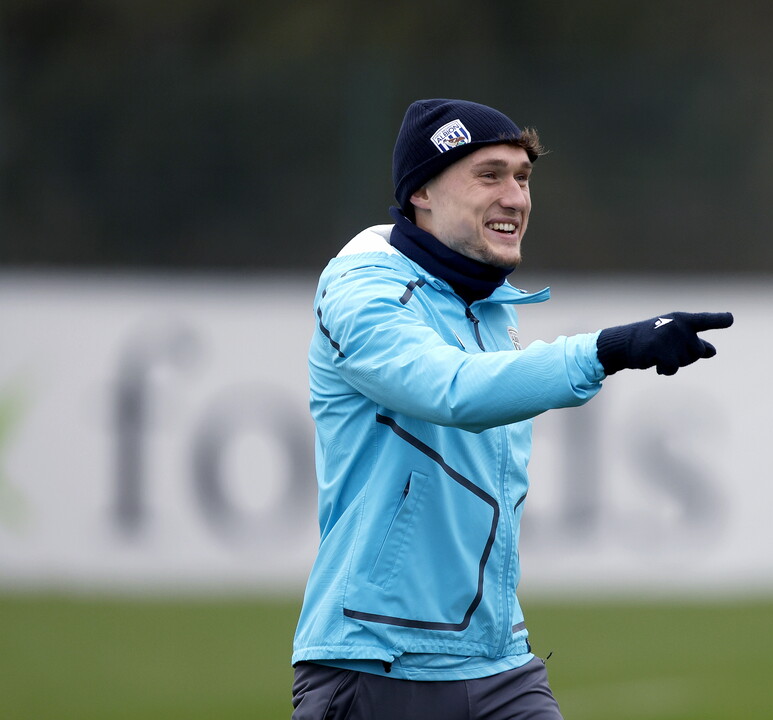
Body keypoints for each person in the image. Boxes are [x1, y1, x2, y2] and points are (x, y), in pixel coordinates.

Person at [291, 98, 733, 719]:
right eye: (489, 175)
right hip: (375, 661)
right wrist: (609, 349)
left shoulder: (490, 306)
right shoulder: (360, 291)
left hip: (499, 665)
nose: (516, 197)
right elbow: (453, 391)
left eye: (522, 177)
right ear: (420, 191)